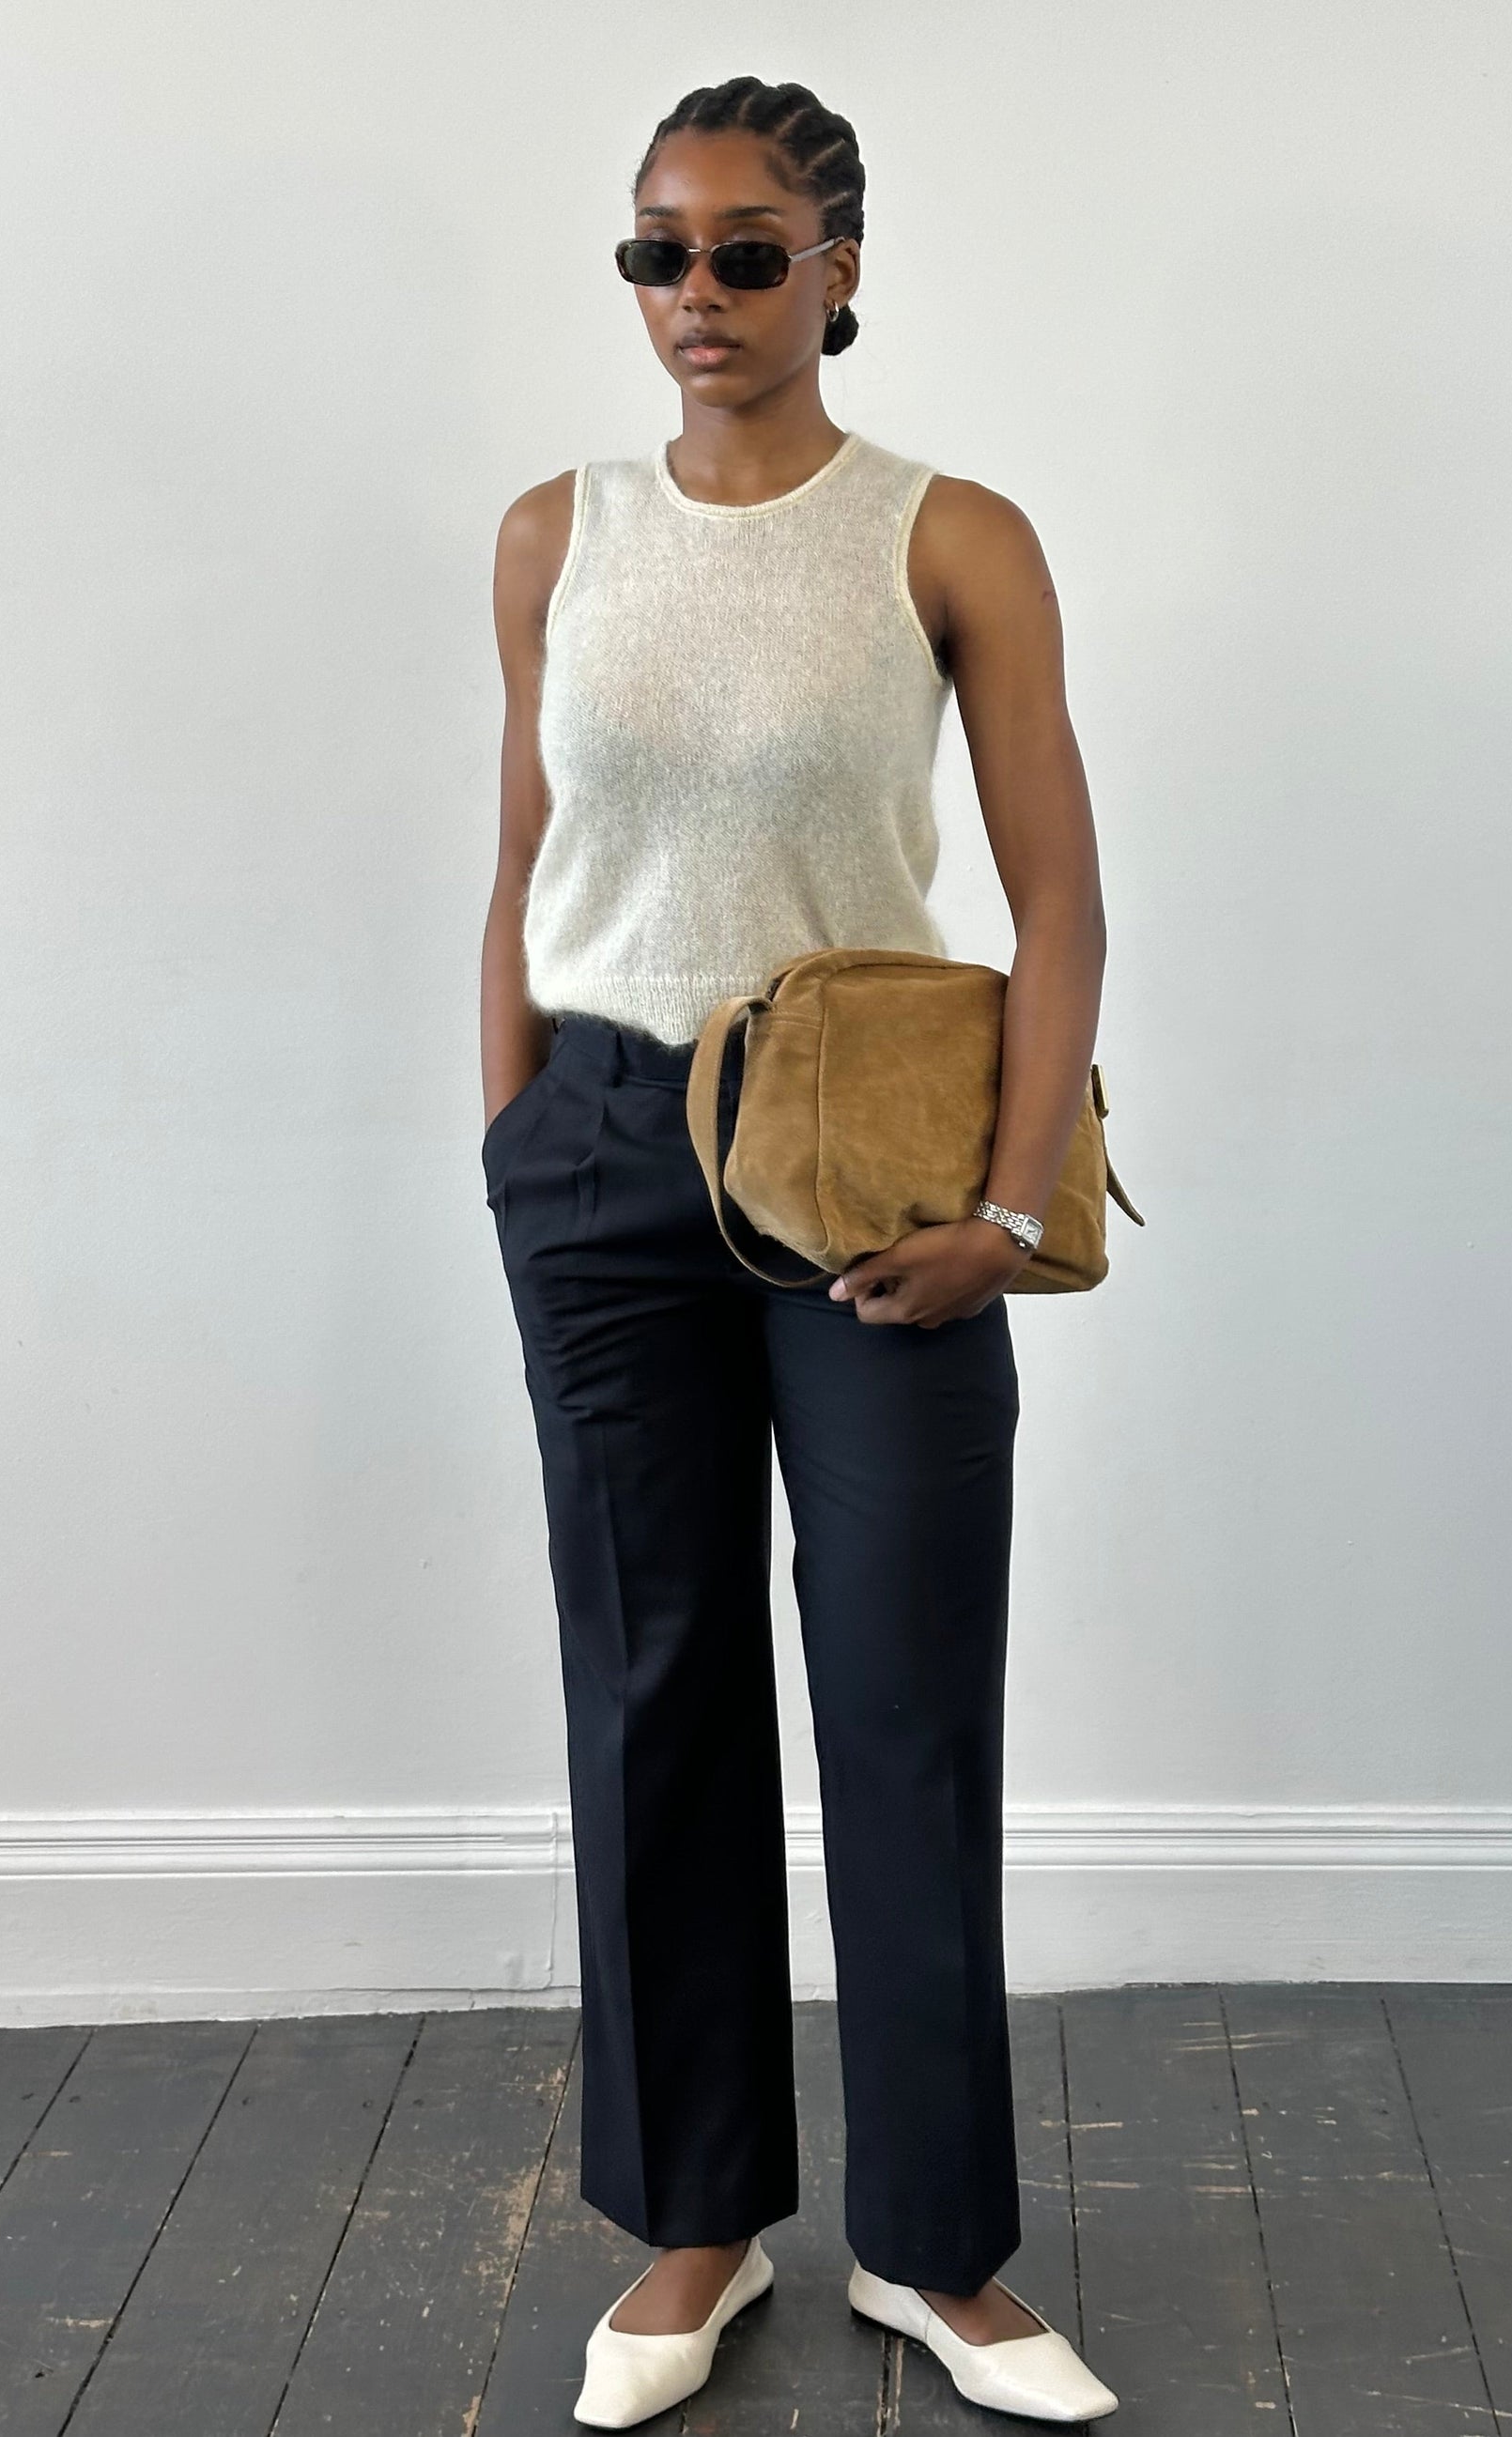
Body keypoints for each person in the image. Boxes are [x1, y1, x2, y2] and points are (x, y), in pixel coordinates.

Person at [479, 74, 1119, 2429]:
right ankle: (698, 2217)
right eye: (657, 251)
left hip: (864, 1177)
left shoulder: (950, 534)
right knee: (650, 1686)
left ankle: (936, 2250)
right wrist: (514, 1139)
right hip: (602, 1155)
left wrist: (1009, 1209)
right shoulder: (555, 532)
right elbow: (524, 858)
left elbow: (1055, 895)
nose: (698, 293)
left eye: (747, 251)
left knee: (904, 1700)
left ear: (838, 269)